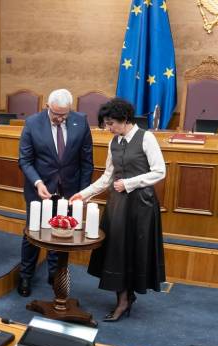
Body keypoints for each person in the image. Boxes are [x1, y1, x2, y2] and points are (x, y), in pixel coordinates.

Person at [71, 98, 166, 322]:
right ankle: (123, 299)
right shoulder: (114, 142)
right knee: (116, 252)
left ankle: (127, 298)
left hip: (141, 206)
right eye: (106, 123)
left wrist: (129, 183)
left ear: (124, 119)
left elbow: (160, 171)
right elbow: (107, 178)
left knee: (134, 251)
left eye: (110, 123)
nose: (108, 128)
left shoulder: (146, 137)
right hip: (118, 205)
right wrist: (83, 194)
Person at [17, 88, 93, 297]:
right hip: (40, 189)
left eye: (64, 115)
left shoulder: (81, 121)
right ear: (47, 107)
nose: (60, 119)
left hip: (69, 190)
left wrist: (83, 193)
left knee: (61, 234)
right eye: (56, 114)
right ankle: (25, 275)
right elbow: (25, 160)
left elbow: (87, 162)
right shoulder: (33, 123)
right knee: (33, 233)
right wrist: (37, 182)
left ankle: (55, 274)